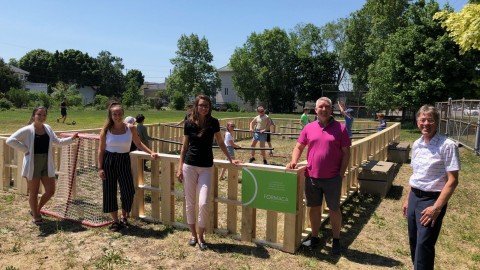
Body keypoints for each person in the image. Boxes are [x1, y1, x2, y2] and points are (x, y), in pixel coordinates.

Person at [286, 97, 351, 255]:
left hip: (332, 178)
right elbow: (298, 147)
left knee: (334, 209)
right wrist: (294, 161)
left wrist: (340, 175)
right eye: (321, 107)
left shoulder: (340, 128)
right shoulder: (309, 127)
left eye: (327, 107)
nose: (324, 109)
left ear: (331, 110)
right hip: (312, 177)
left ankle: (336, 240)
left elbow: (346, 153)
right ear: (315, 110)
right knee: (313, 208)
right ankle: (315, 237)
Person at [176, 95, 239, 251]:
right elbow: (184, 147)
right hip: (189, 165)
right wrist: (179, 167)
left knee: (203, 202)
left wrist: (231, 159)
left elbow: (219, 142)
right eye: (201, 105)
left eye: (207, 105)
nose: (204, 108)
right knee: (190, 203)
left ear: (209, 107)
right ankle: (193, 235)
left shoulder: (214, 122)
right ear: (196, 106)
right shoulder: (189, 123)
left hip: (206, 166)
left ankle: (201, 235)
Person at [402, 105, 460, 269]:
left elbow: (453, 180)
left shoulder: (447, 145)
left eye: (430, 120)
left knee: (424, 245)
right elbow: (416, 175)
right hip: (414, 197)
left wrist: (436, 208)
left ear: (437, 122)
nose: (425, 123)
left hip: (431, 200)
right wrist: (408, 199)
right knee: (414, 242)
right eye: (422, 119)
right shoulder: (417, 144)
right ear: (417, 121)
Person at [6, 106, 78, 225]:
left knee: (50, 190)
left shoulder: (48, 128)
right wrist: (25, 150)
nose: (41, 117)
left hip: (46, 162)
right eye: (39, 114)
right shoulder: (27, 130)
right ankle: (36, 215)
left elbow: (57, 142)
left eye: (44, 115)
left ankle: (37, 209)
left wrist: (72, 139)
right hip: (33, 163)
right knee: (33, 192)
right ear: (34, 115)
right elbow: (10, 140)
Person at [98, 103, 158, 232]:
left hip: (124, 159)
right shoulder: (106, 130)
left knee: (128, 190)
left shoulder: (131, 128)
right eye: (115, 114)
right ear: (111, 115)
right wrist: (100, 168)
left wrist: (151, 152)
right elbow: (101, 150)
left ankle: (124, 216)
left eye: (120, 114)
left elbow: (138, 143)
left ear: (123, 114)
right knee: (109, 191)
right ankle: (115, 221)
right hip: (109, 161)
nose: (118, 116)